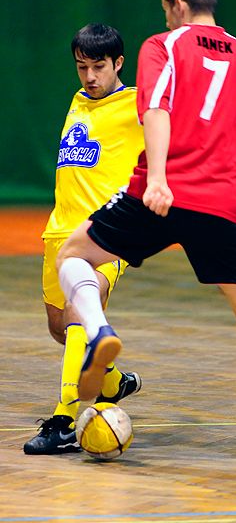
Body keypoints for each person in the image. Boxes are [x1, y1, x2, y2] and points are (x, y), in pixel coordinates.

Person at [56, 0, 236, 467]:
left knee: (74, 255)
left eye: (165, 10)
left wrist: (157, 178)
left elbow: (155, 108)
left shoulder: (164, 45)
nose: (165, 18)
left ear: (177, 5)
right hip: (225, 203)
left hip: (163, 192)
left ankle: (99, 331)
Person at [24, 23, 145, 455]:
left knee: (79, 313)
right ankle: (113, 382)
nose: (90, 76)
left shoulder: (137, 104)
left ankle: (63, 421)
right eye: (82, 67)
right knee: (61, 329)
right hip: (60, 231)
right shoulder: (78, 100)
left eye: (99, 67)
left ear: (118, 63)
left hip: (105, 233)